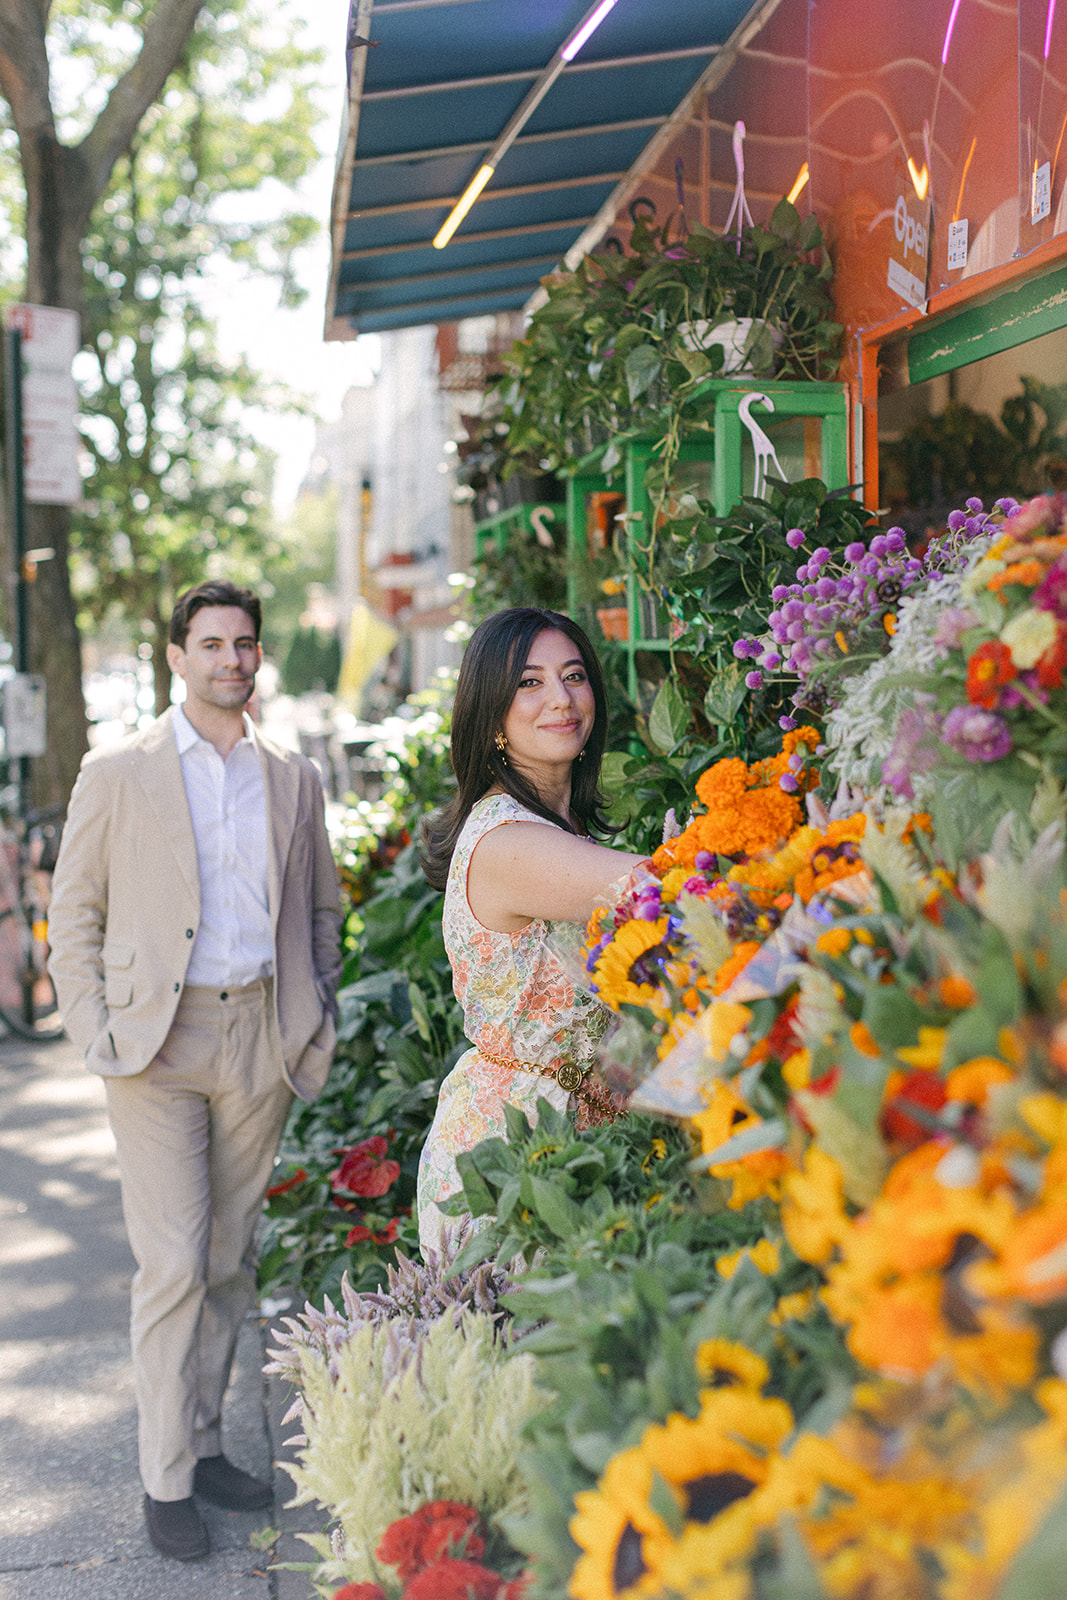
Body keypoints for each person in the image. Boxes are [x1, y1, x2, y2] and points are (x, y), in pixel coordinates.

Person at [47, 579, 342, 1562]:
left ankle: (210, 1442)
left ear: (257, 655)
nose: (230, 658)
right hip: (157, 1046)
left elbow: (320, 912)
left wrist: (316, 1008)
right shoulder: (117, 769)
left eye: (244, 643)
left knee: (227, 1260)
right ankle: (164, 1475)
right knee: (173, 1260)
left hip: (259, 1033)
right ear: (176, 655)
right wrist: (95, 1026)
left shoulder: (293, 775)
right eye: (211, 643)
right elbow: (73, 911)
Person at [417, 606, 650, 1256]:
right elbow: (672, 885)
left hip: (568, 1145)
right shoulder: (509, 842)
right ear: (490, 716)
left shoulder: (554, 830)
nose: (561, 698)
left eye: (573, 675)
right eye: (529, 682)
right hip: (507, 1162)